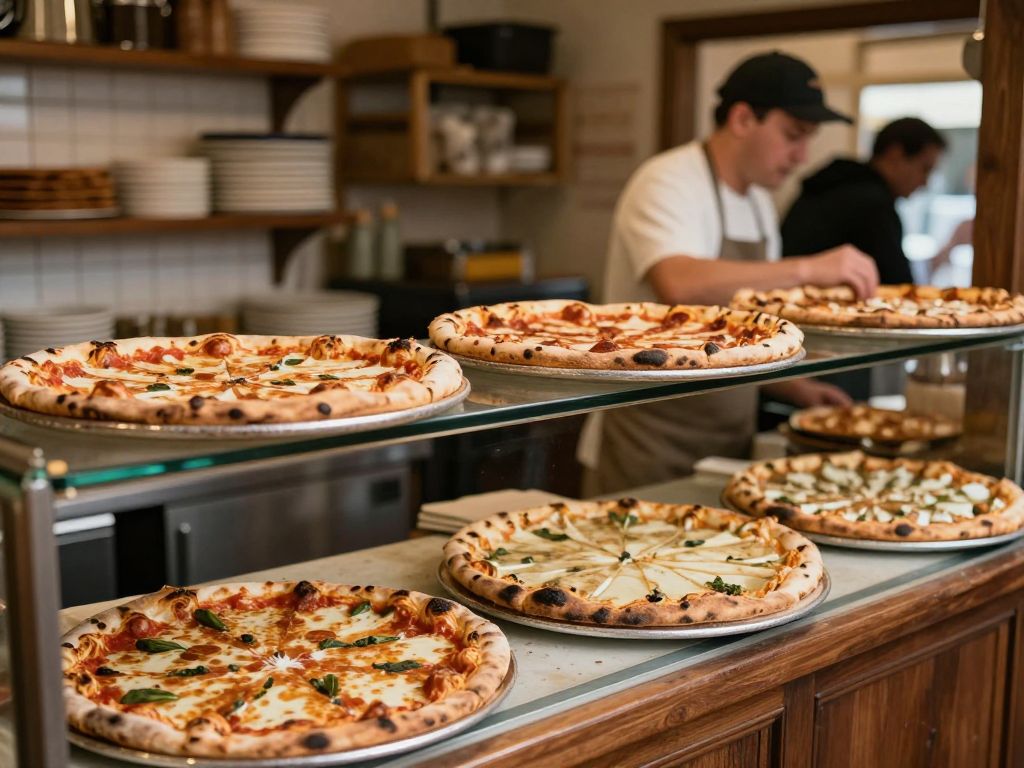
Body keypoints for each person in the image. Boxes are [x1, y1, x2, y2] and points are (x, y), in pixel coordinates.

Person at [578, 51, 880, 495]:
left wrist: (797, 389)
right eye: (794, 135)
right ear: (742, 118)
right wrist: (810, 268)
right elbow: (678, 281)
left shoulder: (758, 202)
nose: (802, 155)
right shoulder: (667, 179)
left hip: (727, 435)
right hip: (648, 437)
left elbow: (744, 322)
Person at [781, 116, 947, 284]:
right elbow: (900, 285)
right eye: (925, 169)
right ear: (895, 154)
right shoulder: (873, 204)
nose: (925, 182)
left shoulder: (833, 183)